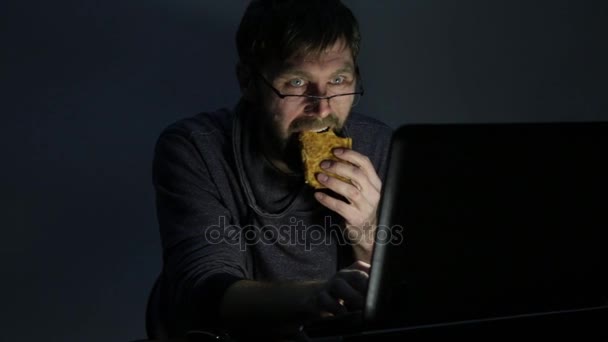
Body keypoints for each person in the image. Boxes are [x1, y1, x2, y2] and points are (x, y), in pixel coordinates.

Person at [152, 0, 392, 338]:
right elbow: (203, 293)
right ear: (249, 82)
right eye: (296, 82)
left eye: (338, 79)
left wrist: (368, 232)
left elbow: (397, 301)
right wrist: (318, 294)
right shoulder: (197, 148)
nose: (322, 108)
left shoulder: (379, 145)